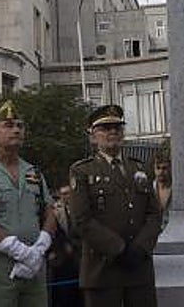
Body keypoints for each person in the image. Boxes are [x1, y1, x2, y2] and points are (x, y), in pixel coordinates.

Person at [0, 101, 57, 307]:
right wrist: (17, 250)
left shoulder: (33, 172)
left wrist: (40, 248)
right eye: (8, 125)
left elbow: (50, 211)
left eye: (20, 126)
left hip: (35, 264)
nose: (16, 130)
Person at [66, 105, 161, 307]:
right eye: (105, 128)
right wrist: (118, 248)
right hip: (102, 268)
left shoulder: (138, 167)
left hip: (138, 268)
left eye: (117, 128)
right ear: (93, 137)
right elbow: (81, 219)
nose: (112, 132)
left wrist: (140, 247)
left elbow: (154, 213)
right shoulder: (82, 171)